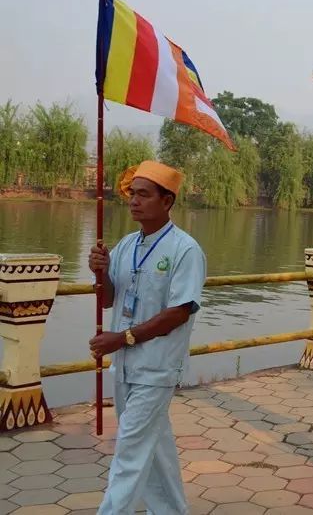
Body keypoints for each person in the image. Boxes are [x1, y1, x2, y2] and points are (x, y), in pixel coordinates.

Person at [88, 161, 205, 515]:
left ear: (166, 201)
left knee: (130, 452)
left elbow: (179, 312)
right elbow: (110, 298)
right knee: (155, 450)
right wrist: (102, 272)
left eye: (143, 194)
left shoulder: (185, 250)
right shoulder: (127, 245)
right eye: (131, 194)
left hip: (156, 368)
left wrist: (120, 338)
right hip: (125, 367)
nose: (134, 201)